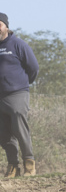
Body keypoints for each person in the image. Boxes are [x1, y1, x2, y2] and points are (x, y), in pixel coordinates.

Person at [0, 12, 40, 178]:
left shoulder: (18, 44)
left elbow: (33, 68)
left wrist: (22, 84)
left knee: (20, 129)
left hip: (17, 94)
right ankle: (13, 166)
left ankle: (29, 165)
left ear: (6, 27)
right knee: (4, 133)